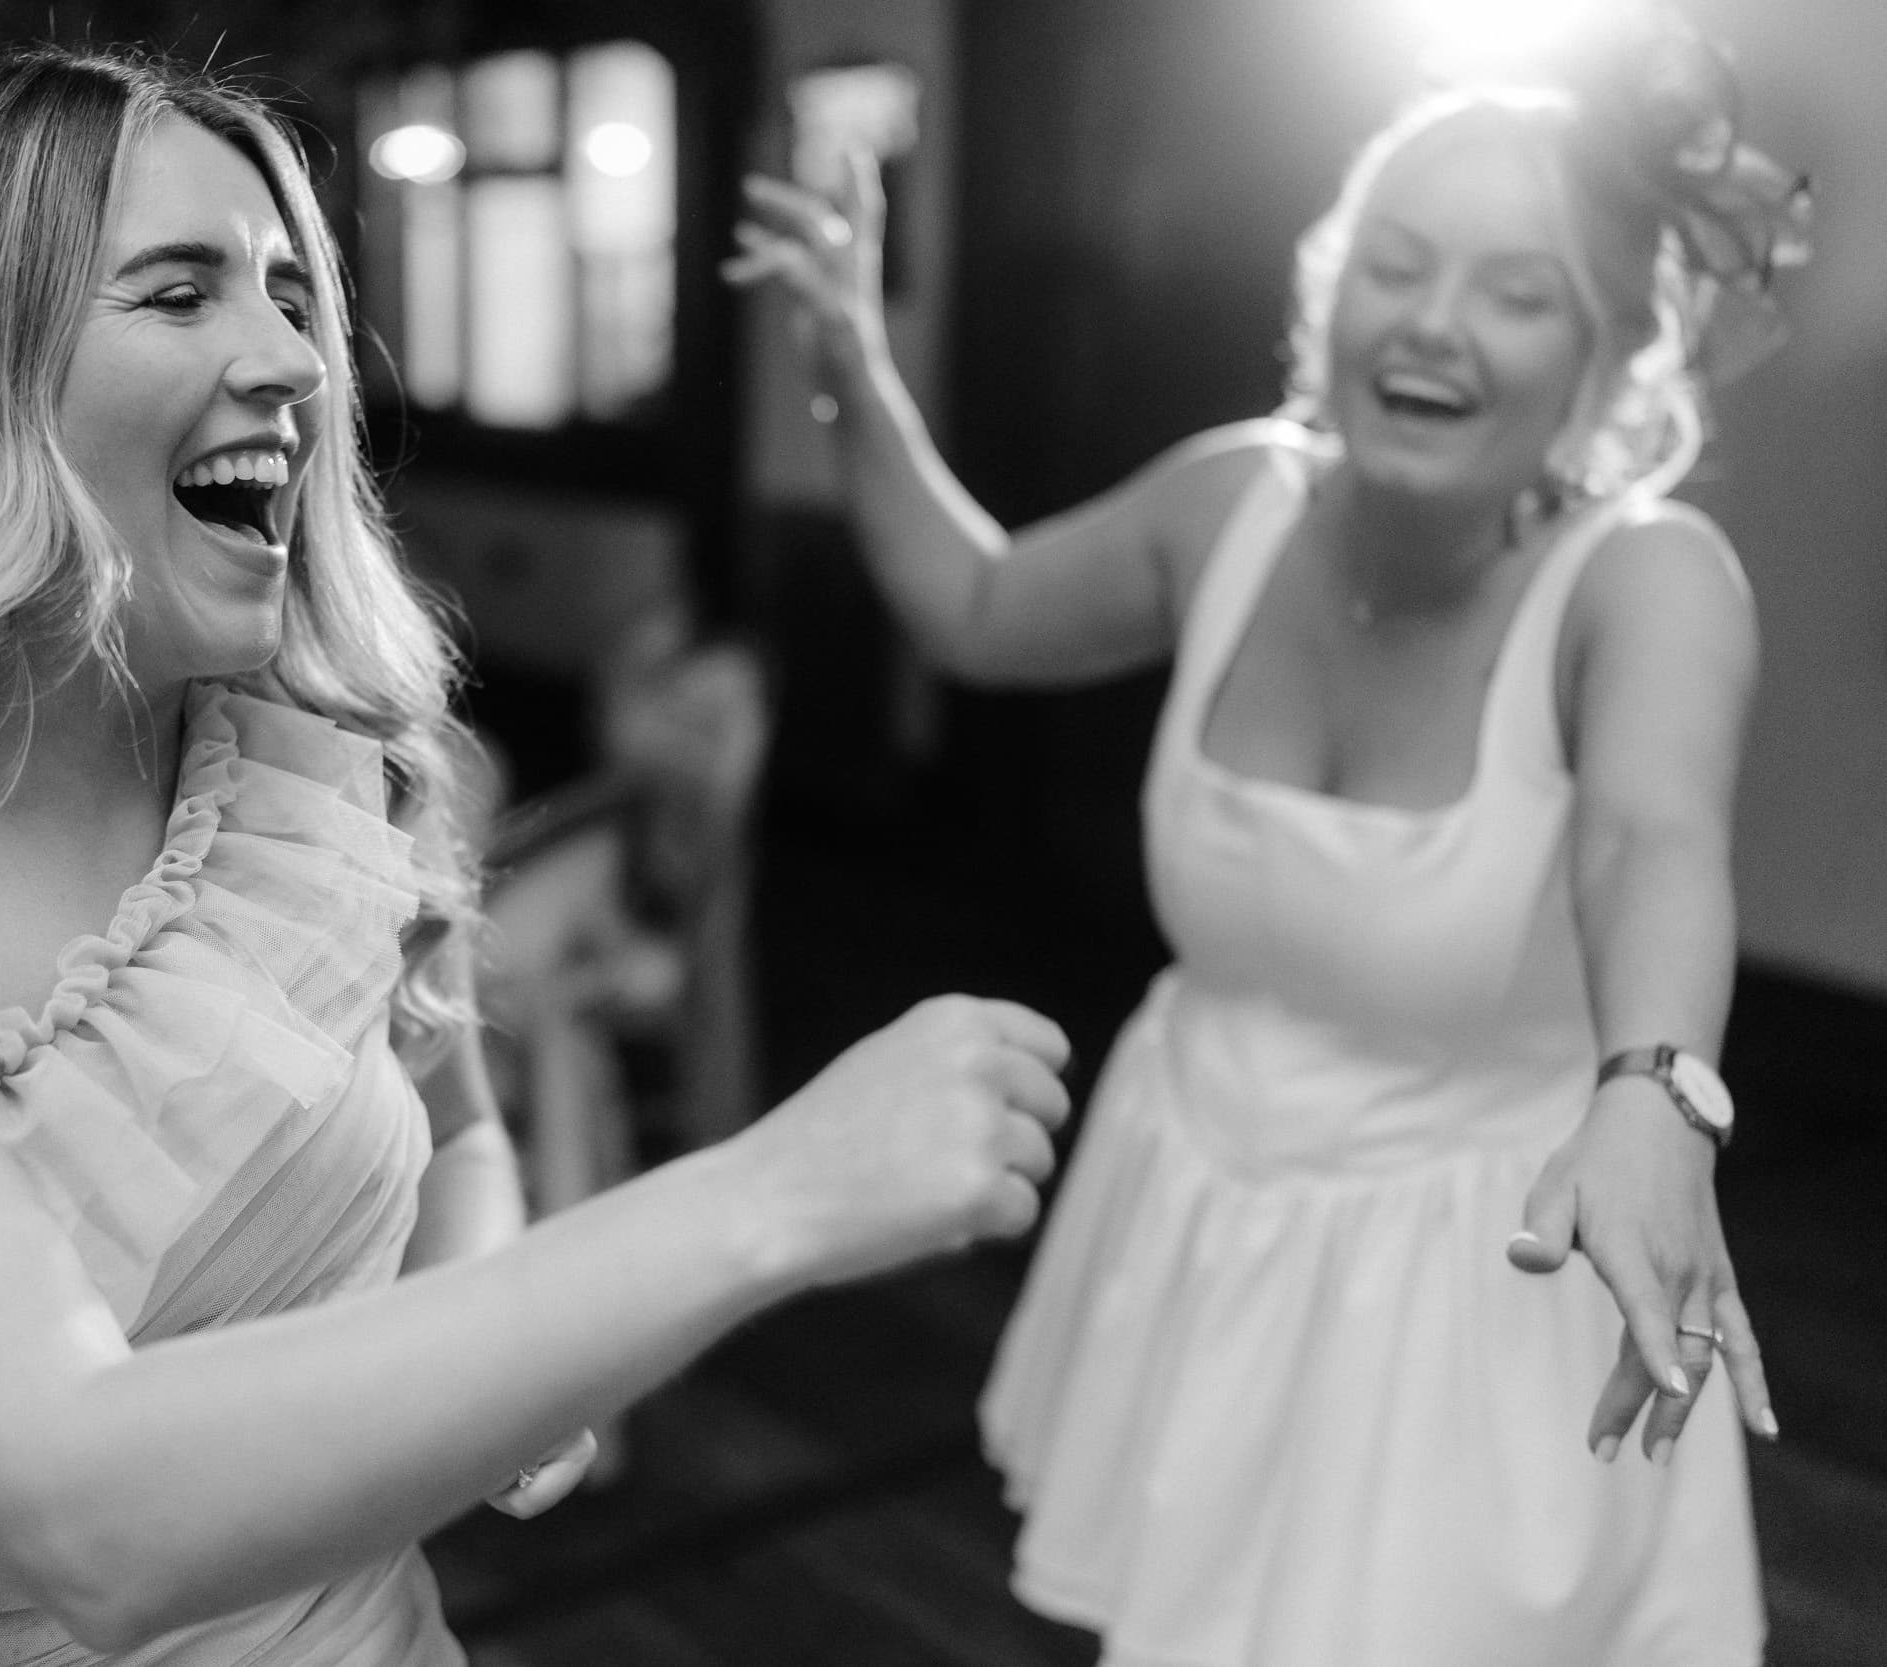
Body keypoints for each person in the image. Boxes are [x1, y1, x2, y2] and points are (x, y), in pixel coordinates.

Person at [0, 46, 1075, 1666]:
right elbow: (84, 1514)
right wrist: (775, 1194)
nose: (298, 360)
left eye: (293, 296)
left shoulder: (317, 772)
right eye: (181, 294)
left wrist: (492, 1354)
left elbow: (462, 1135)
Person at [728, 12, 1808, 1665]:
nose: (1434, 322)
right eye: (1399, 265)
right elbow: (978, 606)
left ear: (1605, 357)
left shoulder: (1645, 580)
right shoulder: (1232, 503)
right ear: (1330, 294)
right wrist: (851, 360)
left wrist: (1659, 1096)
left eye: (1517, 293)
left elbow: (1649, 842)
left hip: (1470, 1277)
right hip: (1197, 1211)